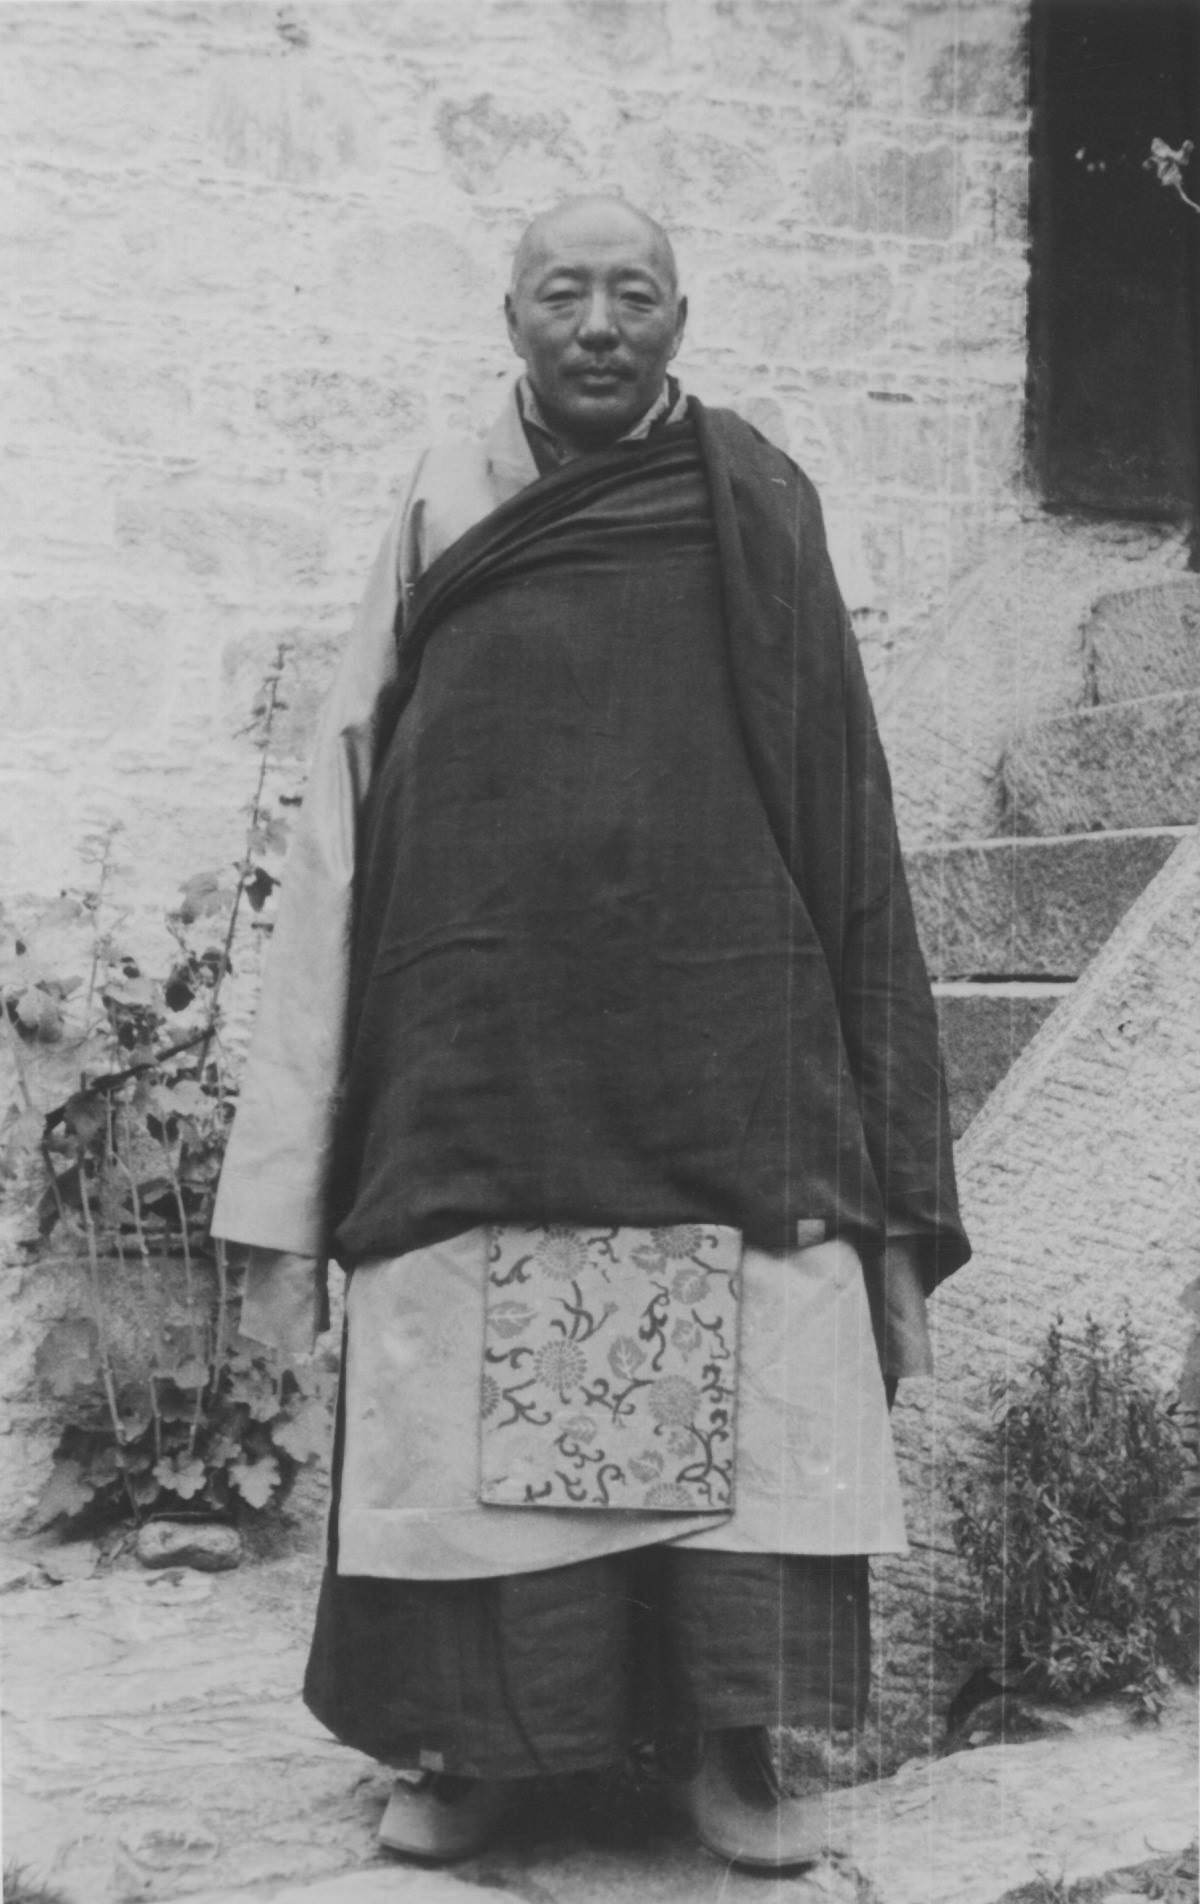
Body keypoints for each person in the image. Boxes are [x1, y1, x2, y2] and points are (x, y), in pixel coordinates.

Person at [214, 195, 969, 1871]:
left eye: (635, 294)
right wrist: (284, 1169)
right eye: (567, 292)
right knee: (467, 1393)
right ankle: (474, 1749)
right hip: (477, 1051)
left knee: (754, 1377)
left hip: (725, 1039)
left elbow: (840, 789)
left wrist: (885, 1124)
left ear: (684, 320)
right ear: (512, 317)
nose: (601, 323)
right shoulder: (438, 498)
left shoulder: (758, 500)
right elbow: (344, 794)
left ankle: (733, 1751)